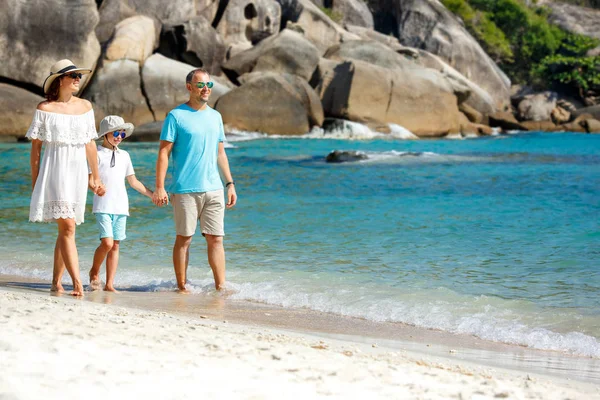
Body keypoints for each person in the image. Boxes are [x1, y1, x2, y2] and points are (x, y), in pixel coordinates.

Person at [153, 68, 237, 292]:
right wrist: (160, 187)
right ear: (189, 87)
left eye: (209, 85)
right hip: (185, 189)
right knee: (185, 239)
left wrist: (229, 183)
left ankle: (221, 287)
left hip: (214, 189)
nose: (206, 89)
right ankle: (181, 287)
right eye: (201, 85)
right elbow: (164, 153)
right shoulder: (176, 116)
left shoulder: (216, 116)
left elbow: (220, 153)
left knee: (216, 239)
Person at [27, 59, 104, 296]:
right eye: (73, 76)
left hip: (78, 172)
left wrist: (95, 176)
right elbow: (36, 150)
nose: (78, 79)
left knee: (67, 229)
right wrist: (35, 181)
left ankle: (54, 282)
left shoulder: (85, 107)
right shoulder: (45, 109)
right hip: (54, 171)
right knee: (68, 226)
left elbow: (90, 144)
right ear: (60, 80)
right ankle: (77, 283)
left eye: (79, 76)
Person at [88, 116, 154, 292]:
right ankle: (94, 271)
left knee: (115, 245)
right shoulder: (96, 154)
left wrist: (152, 195)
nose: (119, 137)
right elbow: (90, 179)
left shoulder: (125, 155)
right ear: (105, 134)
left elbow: (134, 182)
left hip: (121, 207)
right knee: (107, 243)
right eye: (116, 133)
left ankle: (110, 284)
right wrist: (95, 188)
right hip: (102, 205)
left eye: (122, 133)